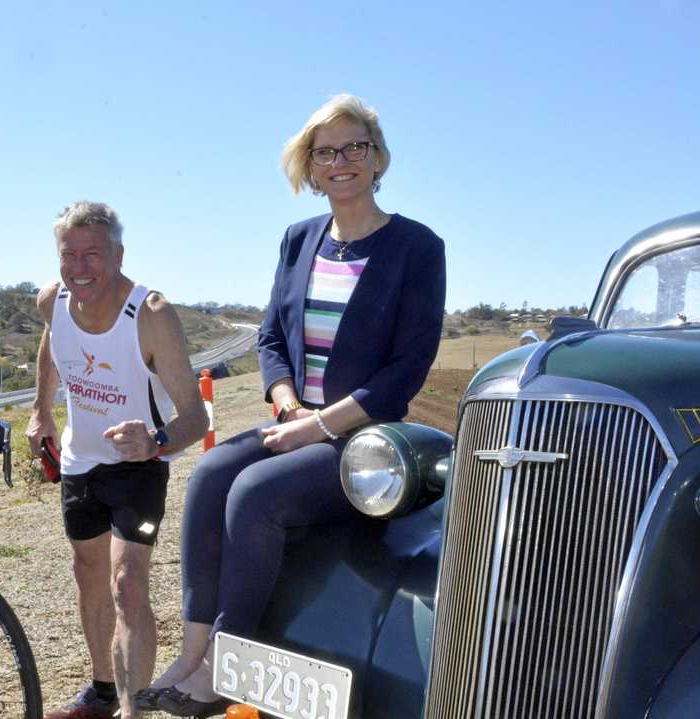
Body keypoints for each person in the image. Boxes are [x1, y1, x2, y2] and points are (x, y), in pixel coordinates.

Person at [138, 94, 447, 717]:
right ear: (309, 166)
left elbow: (404, 372)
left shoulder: (418, 247)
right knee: (207, 474)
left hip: (365, 438)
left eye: (354, 147)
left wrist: (321, 426)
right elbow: (272, 337)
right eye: (325, 151)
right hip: (294, 417)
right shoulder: (298, 239)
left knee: (255, 493)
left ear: (377, 156)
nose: (341, 161)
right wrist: (285, 405)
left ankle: (227, 664)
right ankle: (191, 651)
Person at [27, 201, 208, 719]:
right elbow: (52, 342)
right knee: (88, 573)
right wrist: (41, 410)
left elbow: (195, 418)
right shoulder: (52, 301)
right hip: (82, 462)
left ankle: (132, 711)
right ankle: (103, 692)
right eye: (69, 255)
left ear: (118, 254)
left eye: (93, 254)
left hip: (139, 464)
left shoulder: (149, 315)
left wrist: (153, 440)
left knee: (127, 583)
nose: (80, 267)